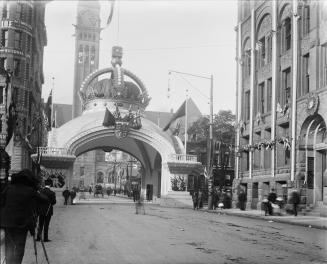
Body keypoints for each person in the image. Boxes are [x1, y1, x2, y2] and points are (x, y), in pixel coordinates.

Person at [0, 169, 48, 264]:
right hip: (22, 224)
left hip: (7, 222)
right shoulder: (30, 190)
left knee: (9, 246)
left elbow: (1, 202)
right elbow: (45, 200)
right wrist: (37, 190)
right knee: (19, 247)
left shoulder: (9, 188)